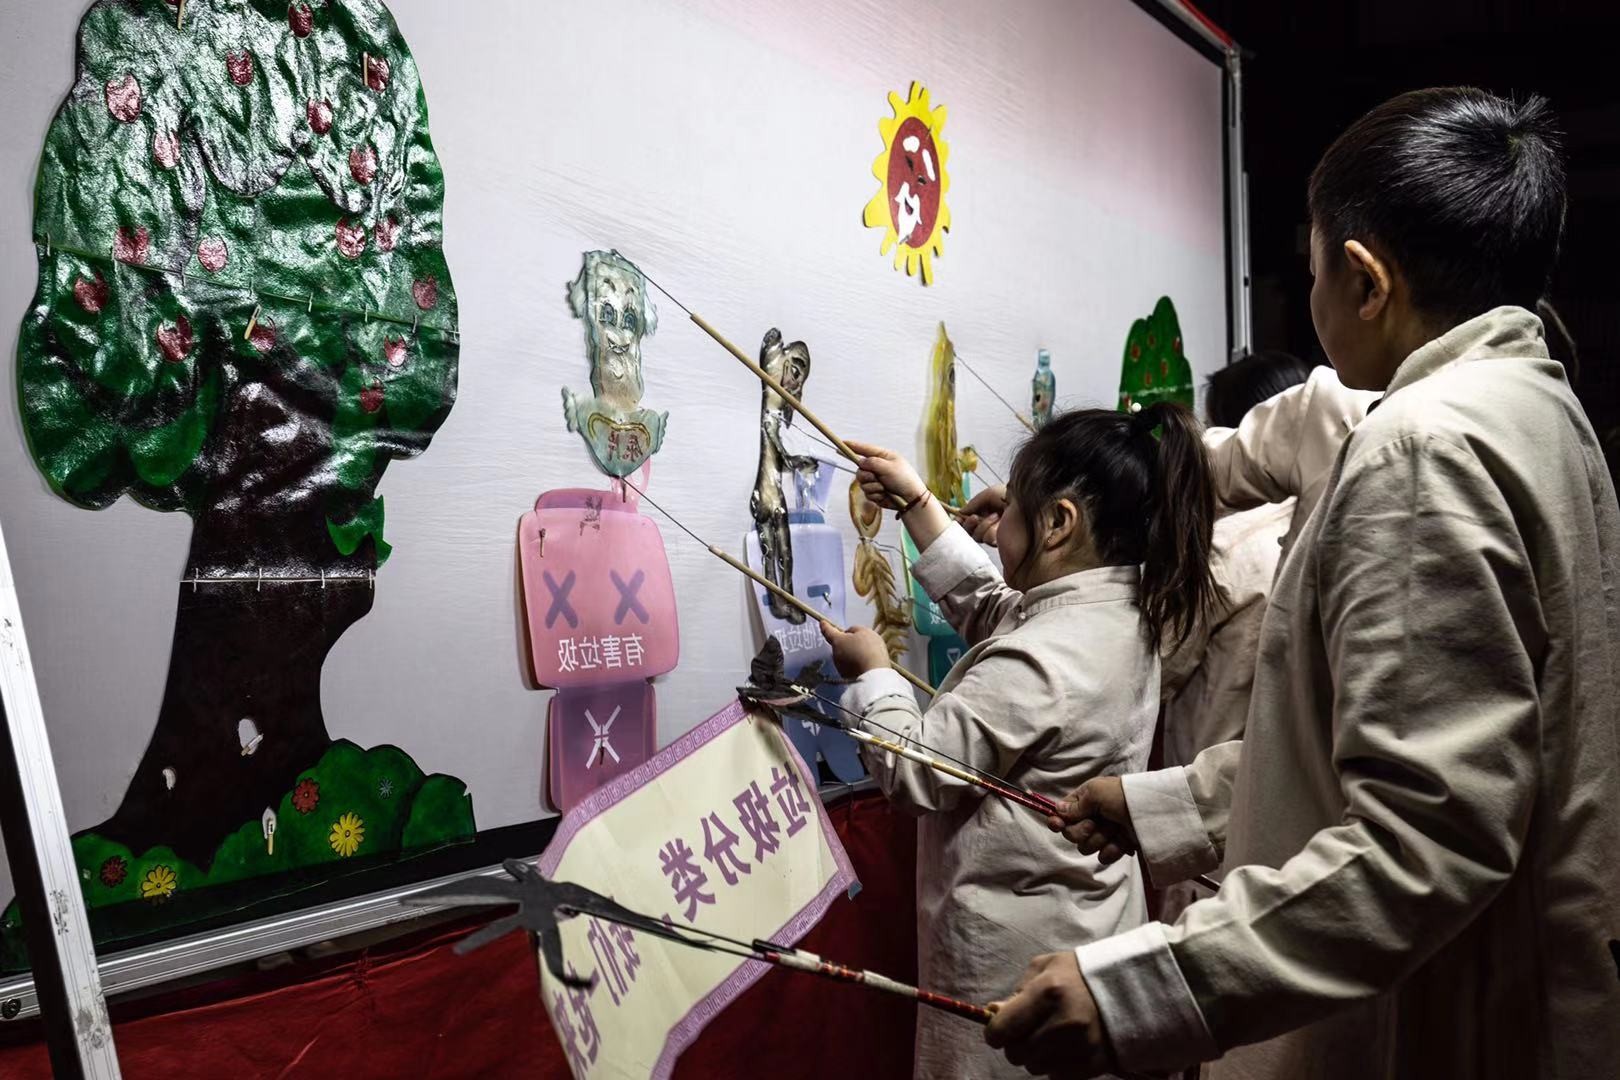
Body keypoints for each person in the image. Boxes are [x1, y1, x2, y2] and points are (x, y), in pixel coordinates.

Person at [984, 87, 1620, 1080]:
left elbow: (1429, 835)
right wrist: (1162, 805)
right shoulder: (1539, 409)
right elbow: (1380, 741)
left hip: (1437, 1025)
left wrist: (1152, 985)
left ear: (1365, 281)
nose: (1311, 289)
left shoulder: (1424, 448)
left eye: (1314, 265)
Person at [819, 408, 1218, 1080]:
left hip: (1014, 953)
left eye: (1013, 510)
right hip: (1083, 926)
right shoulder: (1121, 613)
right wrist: (918, 506)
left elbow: (916, 771)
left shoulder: (1045, 656)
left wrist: (875, 675)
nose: (996, 522)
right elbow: (998, 610)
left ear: (1058, 524)